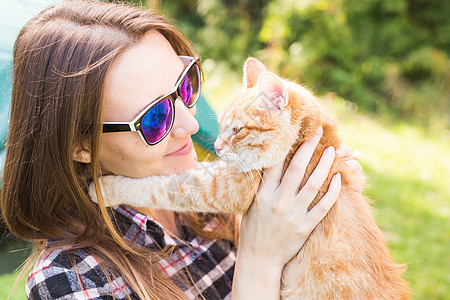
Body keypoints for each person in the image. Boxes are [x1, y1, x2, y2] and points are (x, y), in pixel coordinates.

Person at [0, 0, 358, 299]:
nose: (191, 124)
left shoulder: (210, 202)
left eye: (185, 85)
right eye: (155, 116)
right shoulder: (71, 282)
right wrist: (260, 260)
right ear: (81, 146)